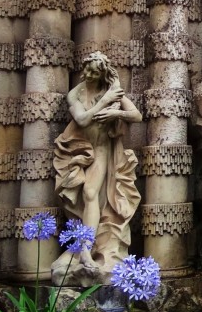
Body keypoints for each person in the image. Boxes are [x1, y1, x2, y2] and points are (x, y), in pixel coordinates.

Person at [53, 52, 142, 278]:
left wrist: (116, 111)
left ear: (102, 72)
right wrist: (104, 102)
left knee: (91, 192)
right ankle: (81, 249)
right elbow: (82, 119)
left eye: (94, 72)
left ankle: (85, 250)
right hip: (78, 150)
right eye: (87, 70)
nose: (88, 75)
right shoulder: (77, 93)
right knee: (80, 197)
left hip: (102, 150)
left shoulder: (113, 90)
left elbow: (136, 115)